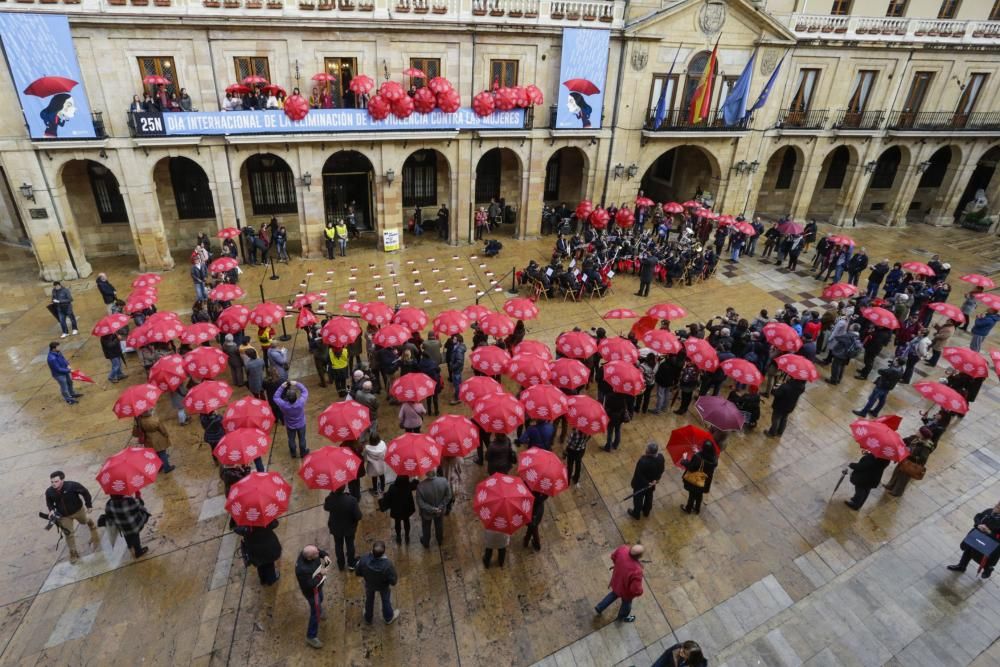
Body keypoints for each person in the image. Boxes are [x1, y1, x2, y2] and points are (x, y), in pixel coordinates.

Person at [45, 471, 99, 560]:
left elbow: (85, 492)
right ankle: (73, 552)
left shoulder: (72, 486)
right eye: (52, 482)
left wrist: (88, 505)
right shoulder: (49, 491)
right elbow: (49, 502)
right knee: (69, 534)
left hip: (78, 511)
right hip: (63, 516)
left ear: (62, 480)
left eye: (56, 481)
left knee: (84, 521)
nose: (53, 484)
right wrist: (51, 510)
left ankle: (90, 522)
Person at [947, 501, 1000, 578]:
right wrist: (979, 524)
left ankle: (988, 569)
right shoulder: (989, 511)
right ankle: (962, 566)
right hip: (977, 535)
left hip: (989, 543)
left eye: (998, 507)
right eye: (997, 504)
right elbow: (978, 516)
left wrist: (989, 532)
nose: (996, 506)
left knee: (980, 557)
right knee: (968, 549)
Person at [594, 543, 645, 623]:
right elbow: (635, 590)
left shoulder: (622, 549)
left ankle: (600, 607)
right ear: (639, 556)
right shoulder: (637, 570)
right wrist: (640, 592)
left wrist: (618, 565)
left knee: (613, 594)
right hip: (625, 592)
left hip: (616, 581)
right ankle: (623, 616)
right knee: (626, 604)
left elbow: (613, 557)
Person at [354, 540, 401, 625]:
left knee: (369, 599)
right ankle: (388, 617)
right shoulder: (387, 565)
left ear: (372, 550)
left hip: (369, 584)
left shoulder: (364, 559)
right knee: (385, 600)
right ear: (383, 552)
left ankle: (368, 617)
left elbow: (357, 572)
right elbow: (393, 581)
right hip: (383, 586)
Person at [295, 545, 332, 648]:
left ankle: (319, 609)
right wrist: (321, 574)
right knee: (315, 612)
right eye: (316, 554)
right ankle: (311, 636)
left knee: (321, 598)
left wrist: (324, 555)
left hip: (318, 588)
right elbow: (310, 584)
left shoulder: (307, 552)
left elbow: (318, 550)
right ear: (309, 558)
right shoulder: (302, 570)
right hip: (312, 593)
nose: (318, 554)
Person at [883, 427, 935, 497]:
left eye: (919, 432)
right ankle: (890, 485)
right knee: (897, 472)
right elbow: (905, 440)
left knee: (903, 478)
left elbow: (923, 459)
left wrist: (910, 454)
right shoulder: (915, 438)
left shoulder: (925, 447)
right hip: (904, 459)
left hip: (911, 464)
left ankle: (897, 492)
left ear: (922, 435)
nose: (917, 432)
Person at [324, 486, 362, 570]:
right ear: (344, 488)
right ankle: (351, 563)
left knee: (338, 545)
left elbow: (326, 508)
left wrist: (331, 494)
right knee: (350, 544)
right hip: (349, 528)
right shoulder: (352, 500)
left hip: (335, 527)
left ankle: (341, 565)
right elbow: (359, 516)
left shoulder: (329, 499)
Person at [235, 519, 281, 585]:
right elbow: (275, 524)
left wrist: (246, 529)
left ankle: (263, 579)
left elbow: (236, 529)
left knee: (259, 563)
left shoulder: (244, 523)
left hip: (253, 549)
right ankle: (271, 579)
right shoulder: (262, 518)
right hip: (267, 545)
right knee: (269, 563)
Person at [103, 493, 150, 558]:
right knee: (135, 535)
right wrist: (138, 497)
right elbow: (141, 505)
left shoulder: (109, 503)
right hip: (134, 525)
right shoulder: (130, 500)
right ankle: (138, 551)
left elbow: (108, 515)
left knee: (127, 535)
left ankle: (130, 546)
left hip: (122, 527)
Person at [628, 442, 665, 519]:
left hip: (641, 485)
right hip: (652, 483)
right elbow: (661, 470)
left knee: (638, 499)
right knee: (649, 496)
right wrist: (656, 480)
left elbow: (638, 475)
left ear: (649, 451)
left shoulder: (643, 461)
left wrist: (647, 483)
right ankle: (646, 511)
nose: (646, 449)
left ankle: (636, 514)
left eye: (647, 449)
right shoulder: (661, 458)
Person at [416, 469, 452, 548]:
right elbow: (448, 496)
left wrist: (432, 509)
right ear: (435, 472)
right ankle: (439, 540)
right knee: (439, 525)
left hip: (426, 513)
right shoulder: (444, 481)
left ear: (426, 474)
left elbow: (420, 503)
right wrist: (440, 506)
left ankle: (426, 542)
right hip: (440, 511)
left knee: (426, 528)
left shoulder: (420, 486)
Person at [680, 440, 718, 515]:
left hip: (696, 480)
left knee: (692, 495)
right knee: (699, 495)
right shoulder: (714, 458)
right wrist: (697, 452)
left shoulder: (698, 458)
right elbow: (705, 460)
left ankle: (688, 509)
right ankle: (697, 509)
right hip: (705, 481)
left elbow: (691, 467)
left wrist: (684, 459)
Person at [274, 381, 309, 458]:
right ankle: (303, 452)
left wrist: (282, 386)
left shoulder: (283, 405)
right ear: (296, 397)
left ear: (287, 398)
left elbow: (276, 397)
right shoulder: (301, 402)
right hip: (301, 424)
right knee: (302, 438)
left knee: (291, 439)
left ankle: (293, 453)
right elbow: (304, 391)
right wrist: (296, 383)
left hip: (290, 425)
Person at [384, 474, 417, 544]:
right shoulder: (408, 486)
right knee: (406, 522)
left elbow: (388, 498)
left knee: (397, 523)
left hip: (396, 510)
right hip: (406, 509)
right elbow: (416, 484)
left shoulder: (392, 487)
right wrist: (415, 478)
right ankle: (407, 536)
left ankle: (398, 537)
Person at [447, 334, 466, 404]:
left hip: (456, 369)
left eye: (454, 339)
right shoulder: (458, 347)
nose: (453, 340)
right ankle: (459, 395)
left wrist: (452, 367)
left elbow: (459, 362)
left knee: (457, 384)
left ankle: (457, 398)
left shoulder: (458, 350)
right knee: (458, 383)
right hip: (457, 369)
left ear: (458, 341)